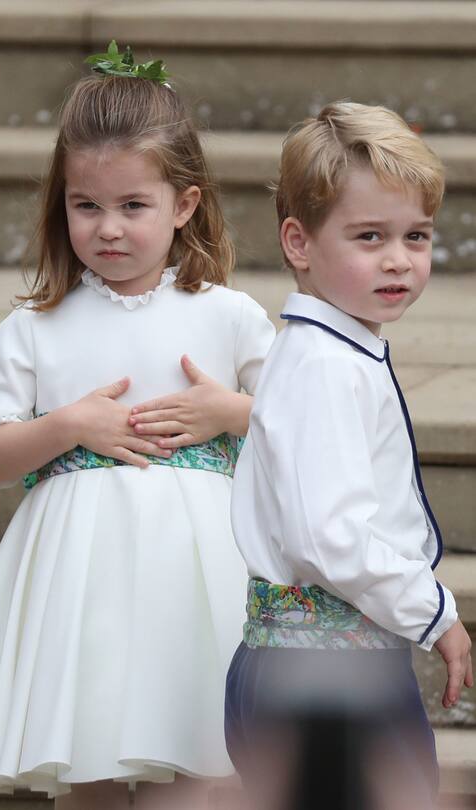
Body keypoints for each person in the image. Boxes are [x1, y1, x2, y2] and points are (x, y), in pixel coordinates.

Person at [0, 43, 275, 809]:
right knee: (85, 759)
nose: (108, 228)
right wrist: (66, 424)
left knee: (197, 759)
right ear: (61, 203)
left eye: (133, 206)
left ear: (183, 205)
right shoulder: (38, 327)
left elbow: (306, 422)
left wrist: (231, 412)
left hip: (197, 580)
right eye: (86, 206)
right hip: (79, 583)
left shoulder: (227, 315)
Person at [226, 101, 473, 810]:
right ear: (298, 243)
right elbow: (330, 534)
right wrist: (433, 612)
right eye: (370, 236)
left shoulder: (330, 352)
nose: (398, 258)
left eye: (415, 235)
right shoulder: (327, 367)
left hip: (317, 663)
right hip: (325, 676)